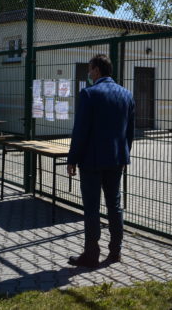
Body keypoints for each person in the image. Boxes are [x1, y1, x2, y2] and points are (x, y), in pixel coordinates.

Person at [67, 54, 135, 267]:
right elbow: (129, 132)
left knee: (92, 207)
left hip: (92, 160)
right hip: (116, 158)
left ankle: (91, 254)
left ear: (96, 70)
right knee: (114, 205)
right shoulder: (126, 94)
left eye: (90, 69)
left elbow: (81, 130)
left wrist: (72, 158)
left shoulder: (89, 94)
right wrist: (123, 154)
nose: (89, 73)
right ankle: (115, 251)